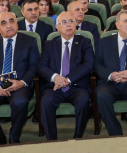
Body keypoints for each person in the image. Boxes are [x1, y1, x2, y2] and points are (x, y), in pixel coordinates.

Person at [0, 11, 40, 145]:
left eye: (12, 21)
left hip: (19, 84)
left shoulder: (29, 41)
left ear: (17, 24)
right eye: (3, 23)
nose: (9, 25)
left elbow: (34, 66)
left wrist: (22, 83)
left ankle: (14, 136)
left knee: (20, 103)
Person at [37, 11, 95, 140]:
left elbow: (88, 65)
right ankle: (51, 139)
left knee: (83, 101)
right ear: (57, 27)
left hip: (77, 86)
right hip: (54, 86)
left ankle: (78, 136)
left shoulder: (85, 42)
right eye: (64, 22)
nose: (68, 25)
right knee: (46, 101)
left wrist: (68, 79)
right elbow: (41, 66)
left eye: (71, 21)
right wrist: (56, 77)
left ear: (76, 25)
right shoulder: (50, 44)